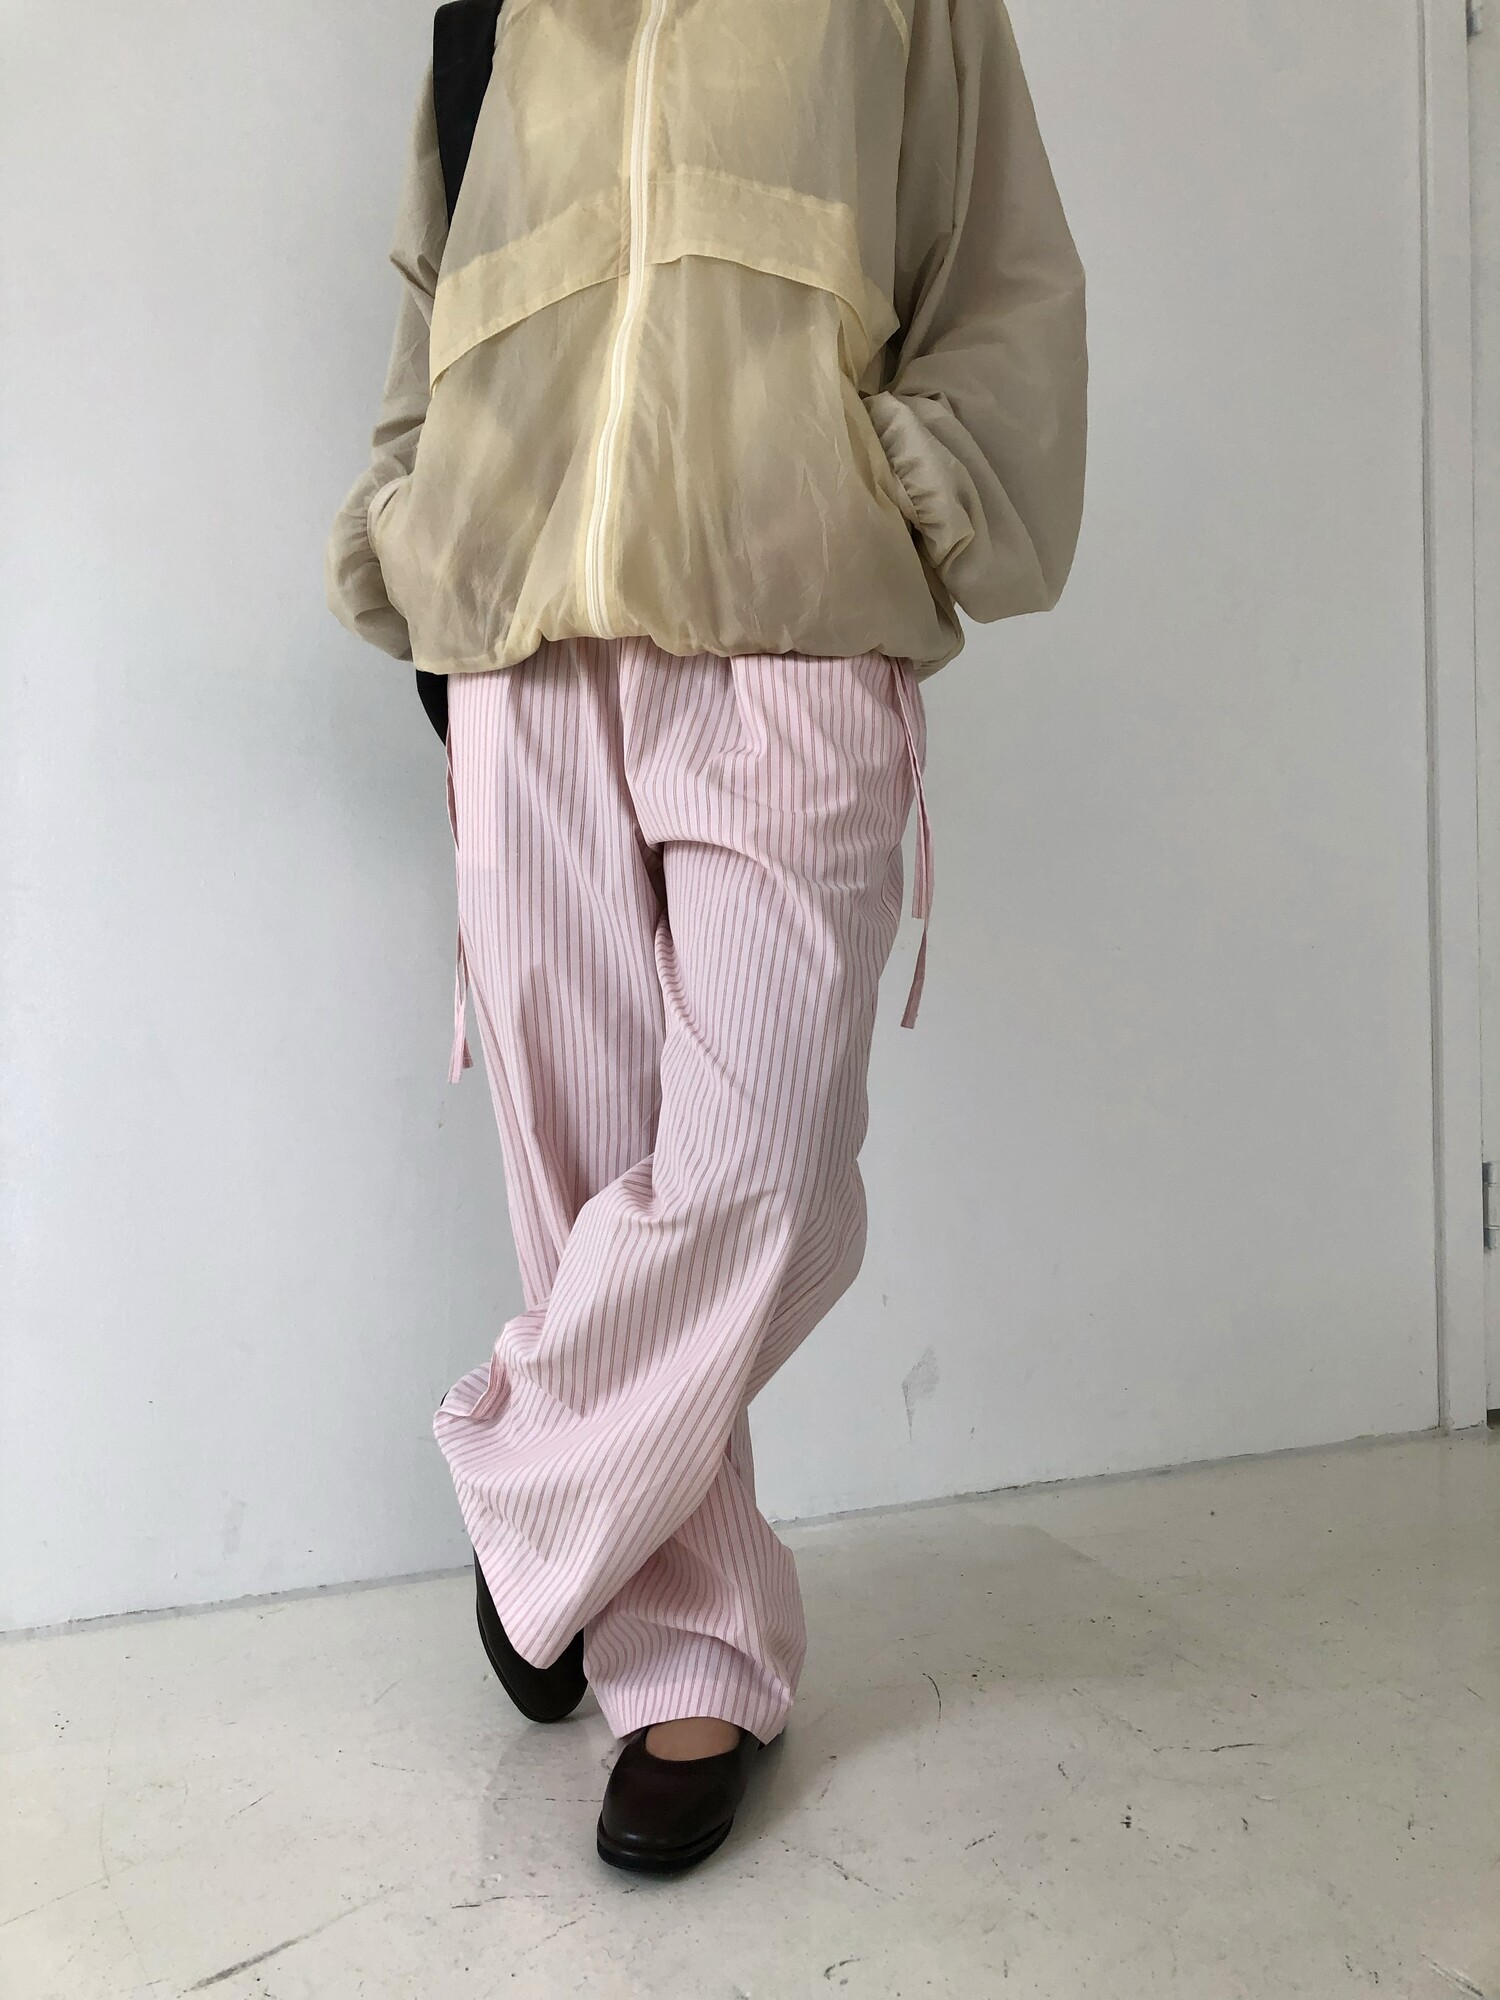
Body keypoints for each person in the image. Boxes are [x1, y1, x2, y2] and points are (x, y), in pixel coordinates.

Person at [325, 0, 1086, 1876]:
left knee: (764, 1164)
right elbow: (435, 303)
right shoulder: (486, 3)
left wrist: (888, 480)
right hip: (522, 644)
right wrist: (424, 528)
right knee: (589, 1181)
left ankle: (540, 1500)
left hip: (788, 618)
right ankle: (689, 1658)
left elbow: (998, 266)